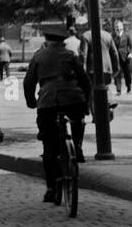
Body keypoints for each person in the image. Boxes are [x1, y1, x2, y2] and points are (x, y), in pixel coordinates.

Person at [23, 24, 92, 203]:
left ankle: (51, 188)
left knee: (49, 148)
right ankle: (77, 146)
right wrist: (86, 101)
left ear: (46, 39)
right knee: (78, 120)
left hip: (47, 102)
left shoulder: (38, 56)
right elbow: (84, 80)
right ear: (63, 41)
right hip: (73, 99)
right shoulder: (70, 55)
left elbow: (28, 82)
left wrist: (31, 102)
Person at [113, 19, 132, 95]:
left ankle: (129, 88)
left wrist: (131, 53)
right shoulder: (113, 36)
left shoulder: (127, 35)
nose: (118, 28)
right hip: (116, 58)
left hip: (126, 58)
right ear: (114, 28)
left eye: (119, 27)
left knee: (127, 74)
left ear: (122, 27)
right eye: (116, 27)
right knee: (117, 74)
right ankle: (118, 90)